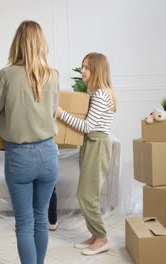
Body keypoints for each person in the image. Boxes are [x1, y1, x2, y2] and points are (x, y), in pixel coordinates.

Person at [0, 20, 59, 264]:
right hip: (48, 155)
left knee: (24, 222)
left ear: (18, 44)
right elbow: (52, 112)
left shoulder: (6, 75)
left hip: (19, 156)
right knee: (41, 218)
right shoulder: (53, 76)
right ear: (41, 44)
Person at [56, 52, 117, 256]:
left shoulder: (101, 95)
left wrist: (62, 114)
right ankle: (94, 234)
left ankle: (102, 237)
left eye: (86, 67)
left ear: (97, 70)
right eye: (82, 66)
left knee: (87, 195)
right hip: (91, 144)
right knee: (87, 193)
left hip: (96, 144)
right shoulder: (97, 93)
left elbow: (88, 127)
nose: (82, 71)